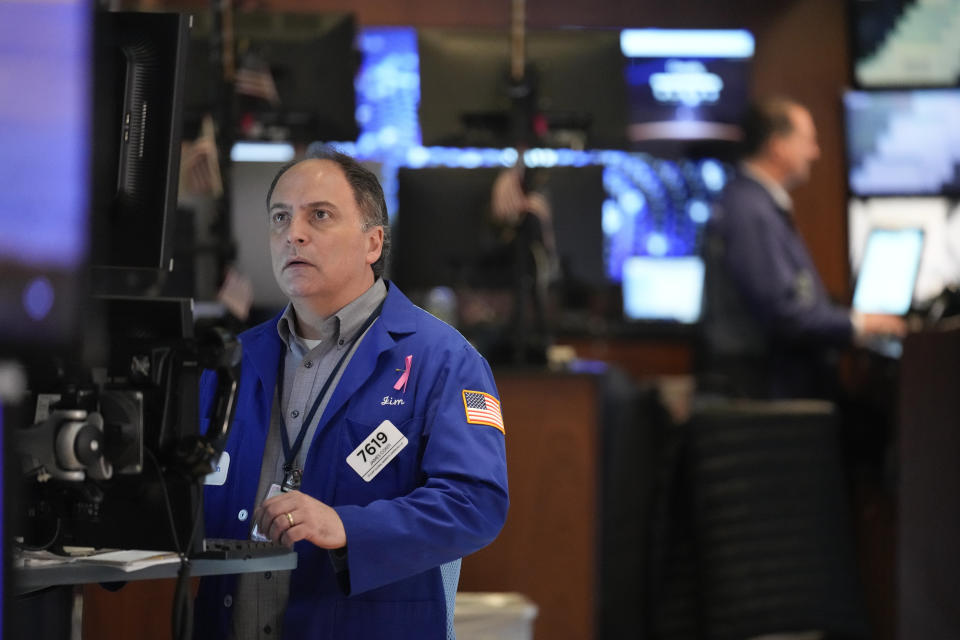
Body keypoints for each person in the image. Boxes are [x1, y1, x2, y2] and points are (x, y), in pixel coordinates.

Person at [193, 147, 509, 639]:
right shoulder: (230, 360)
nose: (293, 234)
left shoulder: (444, 359)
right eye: (281, 217)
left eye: (319, 215)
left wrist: (348, 528)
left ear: (373, 243)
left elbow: (476, 503)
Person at [700, 96, 907, 398]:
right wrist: (859, 323)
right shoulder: (751, 213)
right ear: (778, 146)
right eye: (808, 141)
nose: (815, 152)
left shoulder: (752, 204)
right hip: (764, 393)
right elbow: (786, 314)